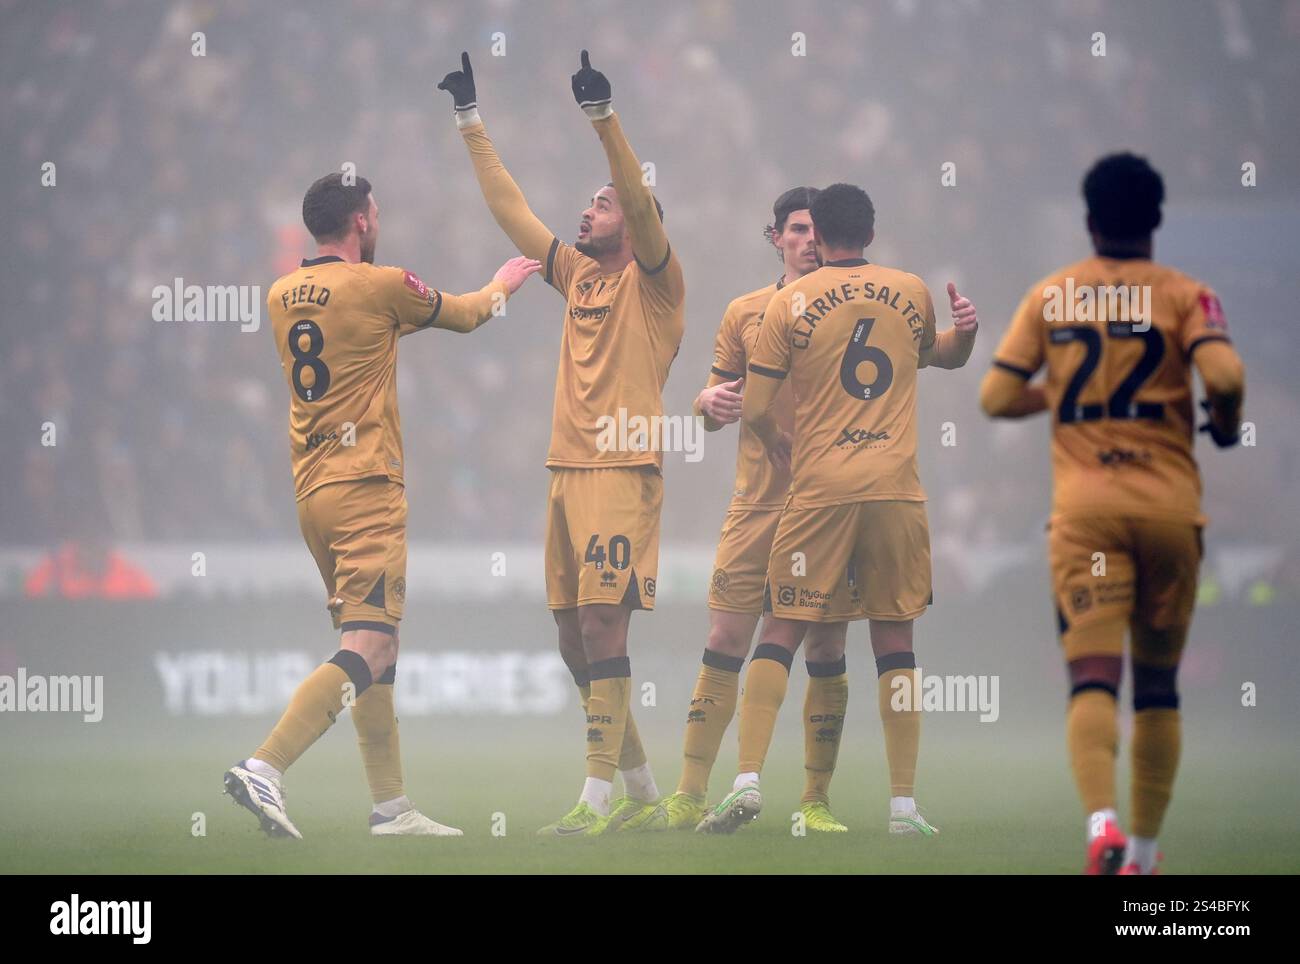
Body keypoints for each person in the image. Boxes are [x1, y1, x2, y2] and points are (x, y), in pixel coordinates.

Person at [223, 172, 540, 839]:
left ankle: (392, 808)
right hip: (367, 486)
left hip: (313, 491)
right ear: (361, 221)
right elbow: (466, 313)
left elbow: (361, 339)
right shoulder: (381, 284)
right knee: (368, 645)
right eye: (377, 211)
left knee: (378, 645)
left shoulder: (282, 294)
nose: (380, 219)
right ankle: (265, 766)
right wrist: (505, 281)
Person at [439, 51, 685, 835]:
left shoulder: (658, 280)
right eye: (588, 201)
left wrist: (603, 117)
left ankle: (595, 799)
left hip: (621, 467)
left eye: (603, 203)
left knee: (602, 628)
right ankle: (644, 788)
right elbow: (511, 211)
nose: (590, 210)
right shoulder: (577, 274)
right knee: (571, 640)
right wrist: (470, 122)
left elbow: (643, 210)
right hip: (567, 471)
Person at [979, 152, 1246, 874]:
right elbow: (1223, 374)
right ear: (1156, 220)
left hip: (1086, 515)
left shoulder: (1052, 296)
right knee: (1158, 686)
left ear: (1089, 221)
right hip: (1168, 513)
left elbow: (996, 397)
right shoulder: (1187, 294)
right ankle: (1146, 855)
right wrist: (1222, 420)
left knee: (1094, 677)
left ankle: (1101, 828)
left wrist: (1061, 393)